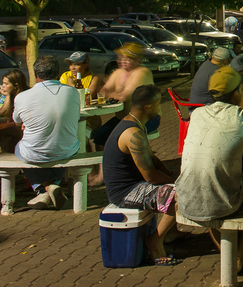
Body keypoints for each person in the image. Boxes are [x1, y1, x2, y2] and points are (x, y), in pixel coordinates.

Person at [176, 65, 243, 273]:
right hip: (224, 204)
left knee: (217, 187)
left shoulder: (197, 114)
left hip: (186, 200)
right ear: (236, 93)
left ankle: (231, 257)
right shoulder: (242, 116)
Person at [103, 85, 181, 266]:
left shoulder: (135, 124)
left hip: (133, 185)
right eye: (158, 105)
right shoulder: (132, 133)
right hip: (125, 192)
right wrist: (176, 182)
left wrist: (173, 176)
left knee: (180, 187)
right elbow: (151, 177)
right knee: (182, 195)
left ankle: (172, 233)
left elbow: (153, 160)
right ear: (148, 107)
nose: (160, 109)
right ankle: (155, 242)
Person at [13, 56, 80, 209]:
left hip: (35, 153)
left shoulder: (22, 97)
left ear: (35, 74)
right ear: (58, 72)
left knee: (21, 148)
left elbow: (17, 121)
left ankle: (45, 188)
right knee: (58, 145)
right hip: (68, 150)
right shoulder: (73, 92)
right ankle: (50, 188)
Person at [93, 43, 157, 148]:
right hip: (124, 118)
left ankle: (128, 158)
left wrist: (110, 95)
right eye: (121, 57)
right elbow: (102, 92)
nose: (122, 60)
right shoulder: (118, 72)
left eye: (127, 58)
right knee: (100, 136)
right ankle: (107, 159)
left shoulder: (142, 72)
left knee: (118, 138)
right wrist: (112, 94)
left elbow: (125, 96)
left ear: (138, 60)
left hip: (145, 118)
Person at [0, 69, 27, 152]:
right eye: (2, 83)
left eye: (6, 84)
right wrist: (7, 96)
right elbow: (3, 113)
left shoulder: (26, 95)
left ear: (16, 85)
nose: (2, 86)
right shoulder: (6, 96)